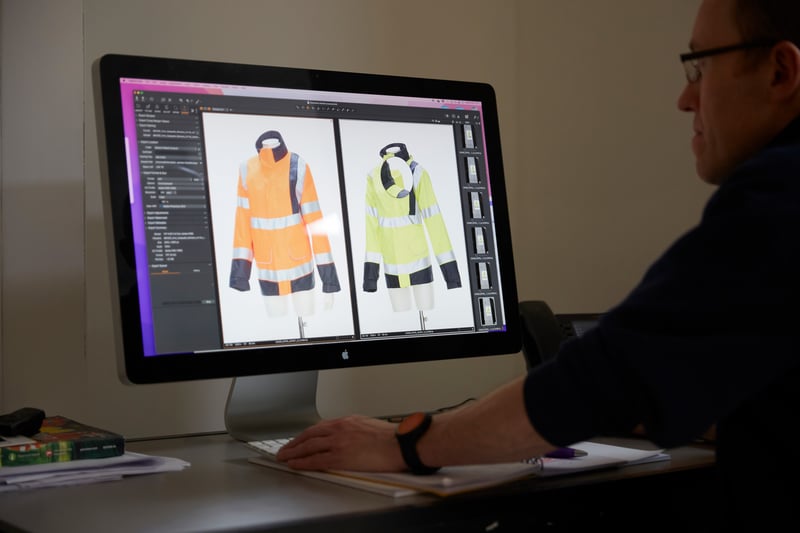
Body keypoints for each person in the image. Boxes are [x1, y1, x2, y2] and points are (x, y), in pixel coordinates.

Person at [277, 0, 800, 528]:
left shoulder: (778, 200)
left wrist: (406, 442)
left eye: (701, 65)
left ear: (782, 70)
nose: (686, 98)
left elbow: (604, 376)